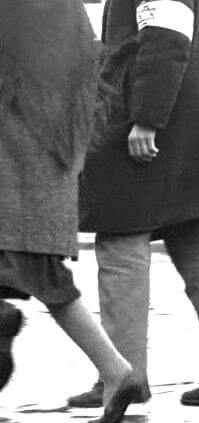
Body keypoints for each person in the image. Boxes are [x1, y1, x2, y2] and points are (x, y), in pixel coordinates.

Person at [68, 0, 199, 407]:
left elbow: (166, 35)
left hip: (151, 116)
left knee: (120, 240)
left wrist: (147, 117)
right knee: (195, 235)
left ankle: (123, 374)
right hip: (194, 113)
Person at [0, 1, 138, 421]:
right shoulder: (66, 13)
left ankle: (116, 369)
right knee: (44, 276)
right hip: (49, 161)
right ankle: (116, 369)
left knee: (41, 276)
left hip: (16, 170)